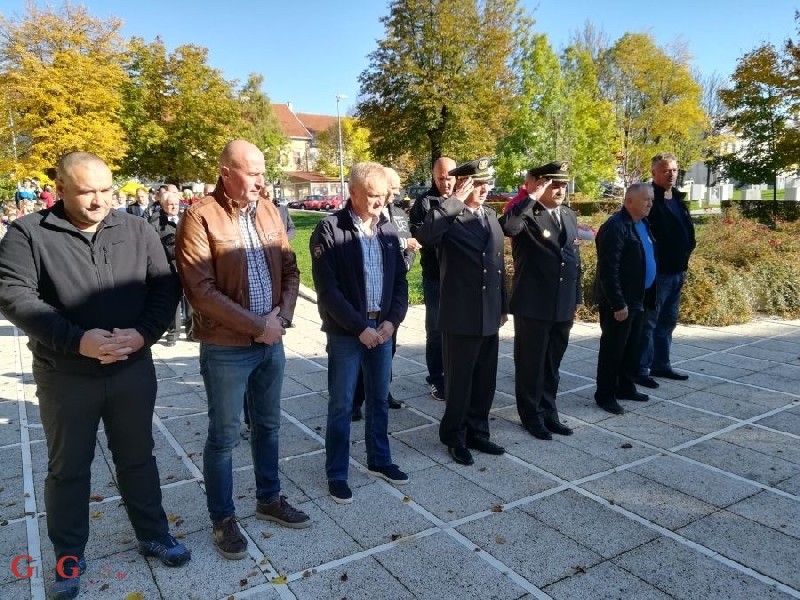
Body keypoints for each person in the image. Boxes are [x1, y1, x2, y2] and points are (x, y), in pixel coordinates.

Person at [0, 152, 190, 599]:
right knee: (68, 468)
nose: (99, 200)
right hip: (65, 374)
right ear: (60, 188)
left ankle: (153, 534)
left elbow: (165, 286)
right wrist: (76, 340)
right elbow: (13, 295)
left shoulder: (136, 229)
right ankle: (68, 558)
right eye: (86, 191)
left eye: (106, 190)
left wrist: (144, 334)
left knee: (138, 457)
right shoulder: (29, 233)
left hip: (131, 368)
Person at [175, 140, 309, 561]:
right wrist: (258, 326)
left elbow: (290, 269)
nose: (261, 180)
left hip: (271, 340)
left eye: (262, 172)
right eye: (252, 173)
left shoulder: (268, 210)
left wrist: (281, 318)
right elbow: (200, 291)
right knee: (224, 435)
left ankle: (269, 498)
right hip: (226, 346)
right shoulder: (200, 217)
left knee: (268, 426)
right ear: (225, 173)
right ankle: (223, 518)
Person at [310, 161, 410, 504]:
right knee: (341, 404)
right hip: (346, 333)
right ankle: (337, 473)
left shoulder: (387, 229)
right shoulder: (329, 229)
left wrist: (392, 321)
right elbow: (328, 291)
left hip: (382, 329)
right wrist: (358, 328)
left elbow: (400, 281)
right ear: (352, 192)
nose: (380, 202)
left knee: (379, 399)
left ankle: (379, 459)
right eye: (371, 195)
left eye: (383, 195)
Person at [415, 157, 508, 466]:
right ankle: (453, 435)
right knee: (459, 382)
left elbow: (497, 264)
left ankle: (478, 430)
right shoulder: (448, 215)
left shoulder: (490, 215)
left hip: (489, 311)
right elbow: (425, 236)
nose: (484, 189)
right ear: (463, 185)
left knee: (485, 379)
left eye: (486, 183)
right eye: (477, 184)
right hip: (460, 314)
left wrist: (503, 305)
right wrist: (454, 200)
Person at [499, 161, 581, 440]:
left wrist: (576, 296)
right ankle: (531, 416)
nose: (560, 189)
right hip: (534, 304)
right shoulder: (526, 214)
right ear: (537, 185)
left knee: (552, 365)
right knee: (531, 365)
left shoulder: (567, 214)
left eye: (563, 184)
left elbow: (573, 258)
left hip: (562, 303)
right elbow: (507, 228)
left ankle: (549, 412)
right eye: (553, 184)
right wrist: (531, 196)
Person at [351, 166, 419, 421]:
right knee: (359, 356)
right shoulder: (367, 214)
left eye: (396, 189)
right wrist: (404, 244)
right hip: (363, 305)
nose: (395, 194)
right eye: (392, 188)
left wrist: (408, 255)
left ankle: (382, 389)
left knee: (387, 349)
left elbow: (409, 242)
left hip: (390, 299)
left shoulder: (398, 214)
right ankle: (356, 399)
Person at [593, 183, 657, 415]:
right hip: (620, 301)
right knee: (613, 350)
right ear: (629, 201)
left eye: (651, 199)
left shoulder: (643, 223)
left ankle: (626, 387)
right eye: (645, 199)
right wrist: (617, 303)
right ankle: (605, 395)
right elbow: (609, 269)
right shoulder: (615, 226)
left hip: (639, 298)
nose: (650, 203)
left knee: (632, 347)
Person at [636, 153, 696, 387]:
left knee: (667, 322)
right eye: (665, 170)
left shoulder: (677, 198)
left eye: (674, 170)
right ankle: (641, 369)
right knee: (649, 323)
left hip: (678, 271)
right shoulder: (649, 198)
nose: (671, 174)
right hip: (658, 274)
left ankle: (661, 364)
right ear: (654, 173)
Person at [408, 157, 456, 401]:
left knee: (457, 328)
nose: (445, 183)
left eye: (449, 178)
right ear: (433, 177)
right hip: (436, 275)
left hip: (460, 277)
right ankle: (437, 378)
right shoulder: (424, 202)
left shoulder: (462, 198)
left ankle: (455, 372)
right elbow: (420, 236)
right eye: (440, 178)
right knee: (436, 329)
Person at [150, 189, 184, 346]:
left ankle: (192, 331)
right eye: (170, 204)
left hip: (190, 265)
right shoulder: (155, 223)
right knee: (174, 300)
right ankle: (173, 333)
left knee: (192, 298)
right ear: (163, 205)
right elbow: (154, 248)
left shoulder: (187, 216)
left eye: (176, 204)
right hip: (170, 266)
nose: (174, 207)